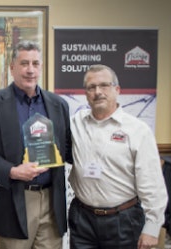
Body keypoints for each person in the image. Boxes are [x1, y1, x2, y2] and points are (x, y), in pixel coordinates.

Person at [0, 40, 72, 249]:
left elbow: (67, 149)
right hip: (14, 199)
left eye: (36, 64)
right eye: (24, 63)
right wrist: (12, 171)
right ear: (12, 67)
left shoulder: (58, 104)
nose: (30, 70)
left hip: (51, 201)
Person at [68, 64, 167, 249]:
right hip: (82, 219)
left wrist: (152, 228)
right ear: (86, 93)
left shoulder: (138, 130)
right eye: (91, 87)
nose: (98, 92)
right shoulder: (75, 123)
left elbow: (152, 183)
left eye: (104, 85)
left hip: (123, 220)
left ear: (117, 90)